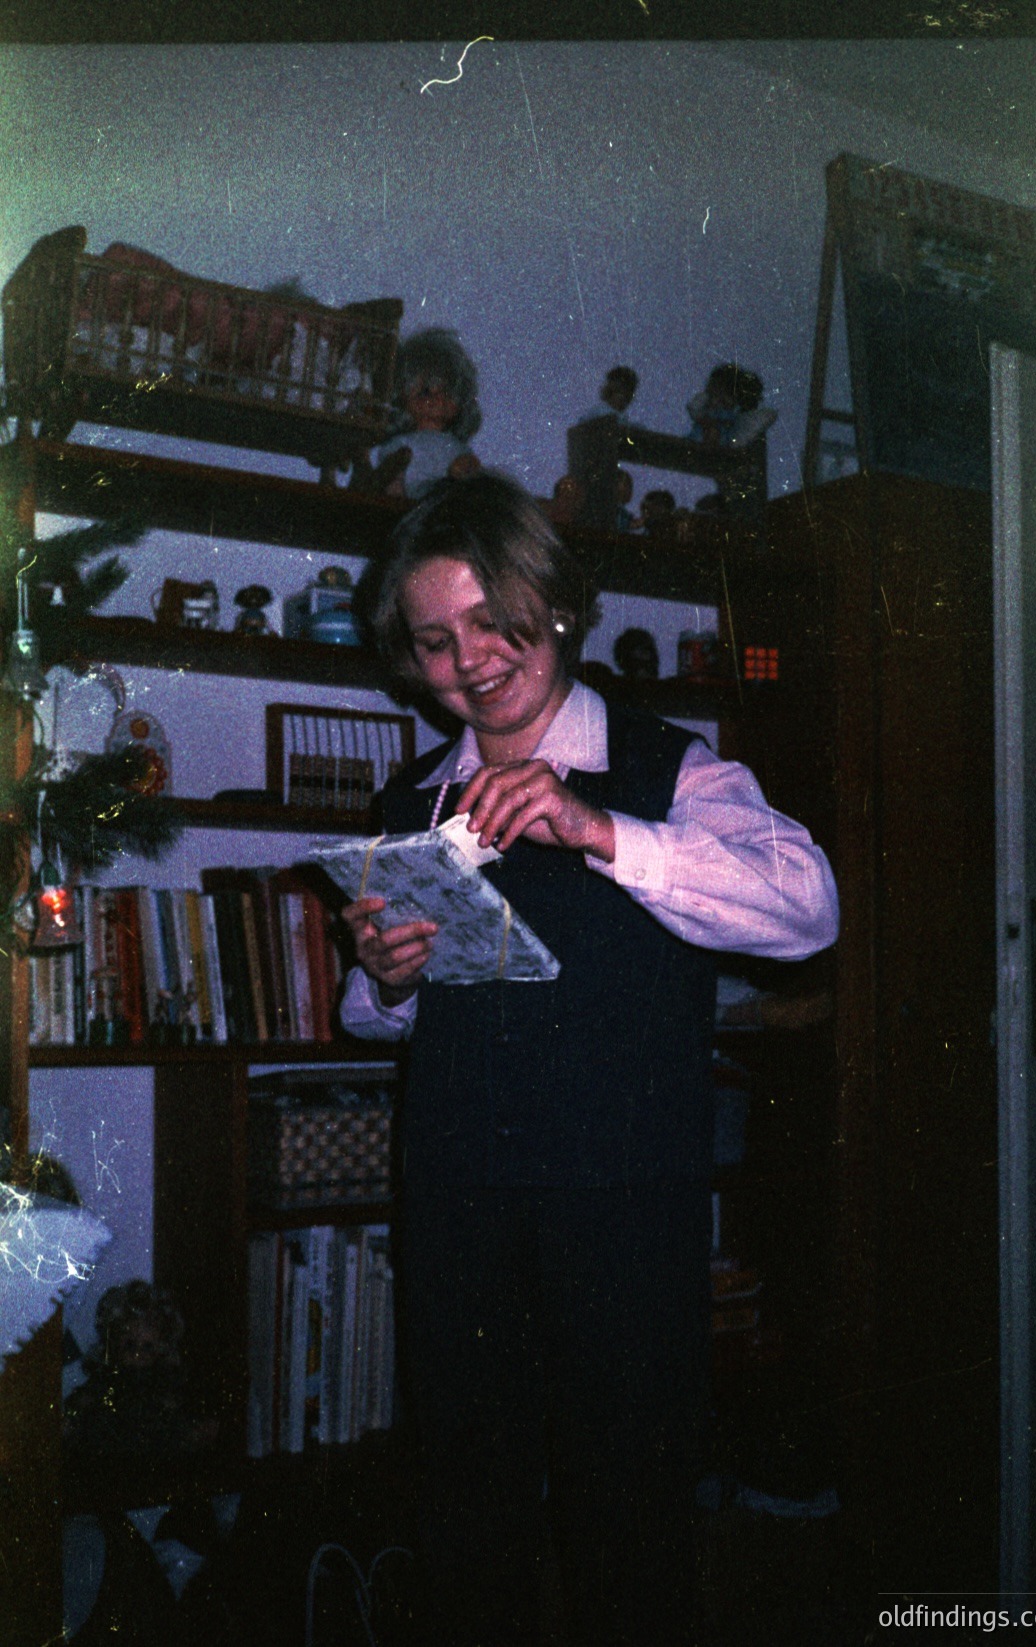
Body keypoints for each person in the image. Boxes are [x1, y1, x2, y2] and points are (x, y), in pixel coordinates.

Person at [341, 472, 838, 1647]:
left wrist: (598, 826)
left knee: (632, 1523)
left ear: (554, 604)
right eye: (433, 641)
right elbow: (386, 1020)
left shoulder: (674, 769)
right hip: (457, 1203)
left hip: (625, 1210)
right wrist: (390, 975)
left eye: (490, 617)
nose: (469, 660)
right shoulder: (411, 798)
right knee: (468, 1514)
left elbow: (805, 908)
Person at [356, 326, 482, 499]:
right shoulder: (403, 443)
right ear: (401, 396)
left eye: (448, 393)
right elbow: (390, 472)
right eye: (426, 392)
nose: (438, 400)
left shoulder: (458, 447)